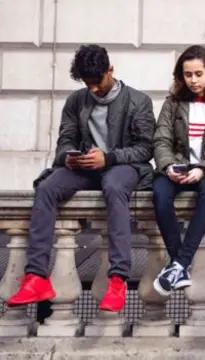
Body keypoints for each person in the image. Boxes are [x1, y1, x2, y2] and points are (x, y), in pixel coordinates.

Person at [7, 44, 155, 312]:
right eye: (87, 83)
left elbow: (145, 149)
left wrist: (108, 158)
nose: (93, 89)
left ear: (110, 70)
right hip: (84, 168)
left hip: (122, 167)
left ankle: (118, 278)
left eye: (97, 81)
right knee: (48, 187)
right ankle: (36, 277)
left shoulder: (138, 101)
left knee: (113, 186)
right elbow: (65, 140)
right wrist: (68, 158)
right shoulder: (77, 101)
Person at [152, 45, 205, 296]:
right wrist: (168, 167)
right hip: (177, 167)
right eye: (187, 75)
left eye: (198, 74)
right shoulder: (172, 104)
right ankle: (179, 264)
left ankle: (179, 263)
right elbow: (161, 141)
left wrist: (203, 168)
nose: (193, 80)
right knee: (159, 193)